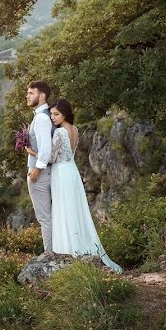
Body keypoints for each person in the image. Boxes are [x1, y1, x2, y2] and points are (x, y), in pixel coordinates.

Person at [48, 98, 122, 273]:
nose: (52, 117)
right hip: (71, 171)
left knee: (64, 209)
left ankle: (68, 249)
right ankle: (79, 246)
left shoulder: (59, 132)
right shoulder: (75, 129)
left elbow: (51, 158)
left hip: (61, 172)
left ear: (65, 114)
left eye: (56, 114)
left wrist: (32, 151)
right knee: (74, 209)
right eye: (51, 113)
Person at [23, 80, 54, 253]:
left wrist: (36, 170)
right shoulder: (42, 115)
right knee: (48, 217)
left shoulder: (41, 118)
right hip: (43, 172)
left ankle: (50, 254)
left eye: (31, 93)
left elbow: (46, 148)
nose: (27, 96)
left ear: (42, 96)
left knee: (44, 218)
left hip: (39, 175)